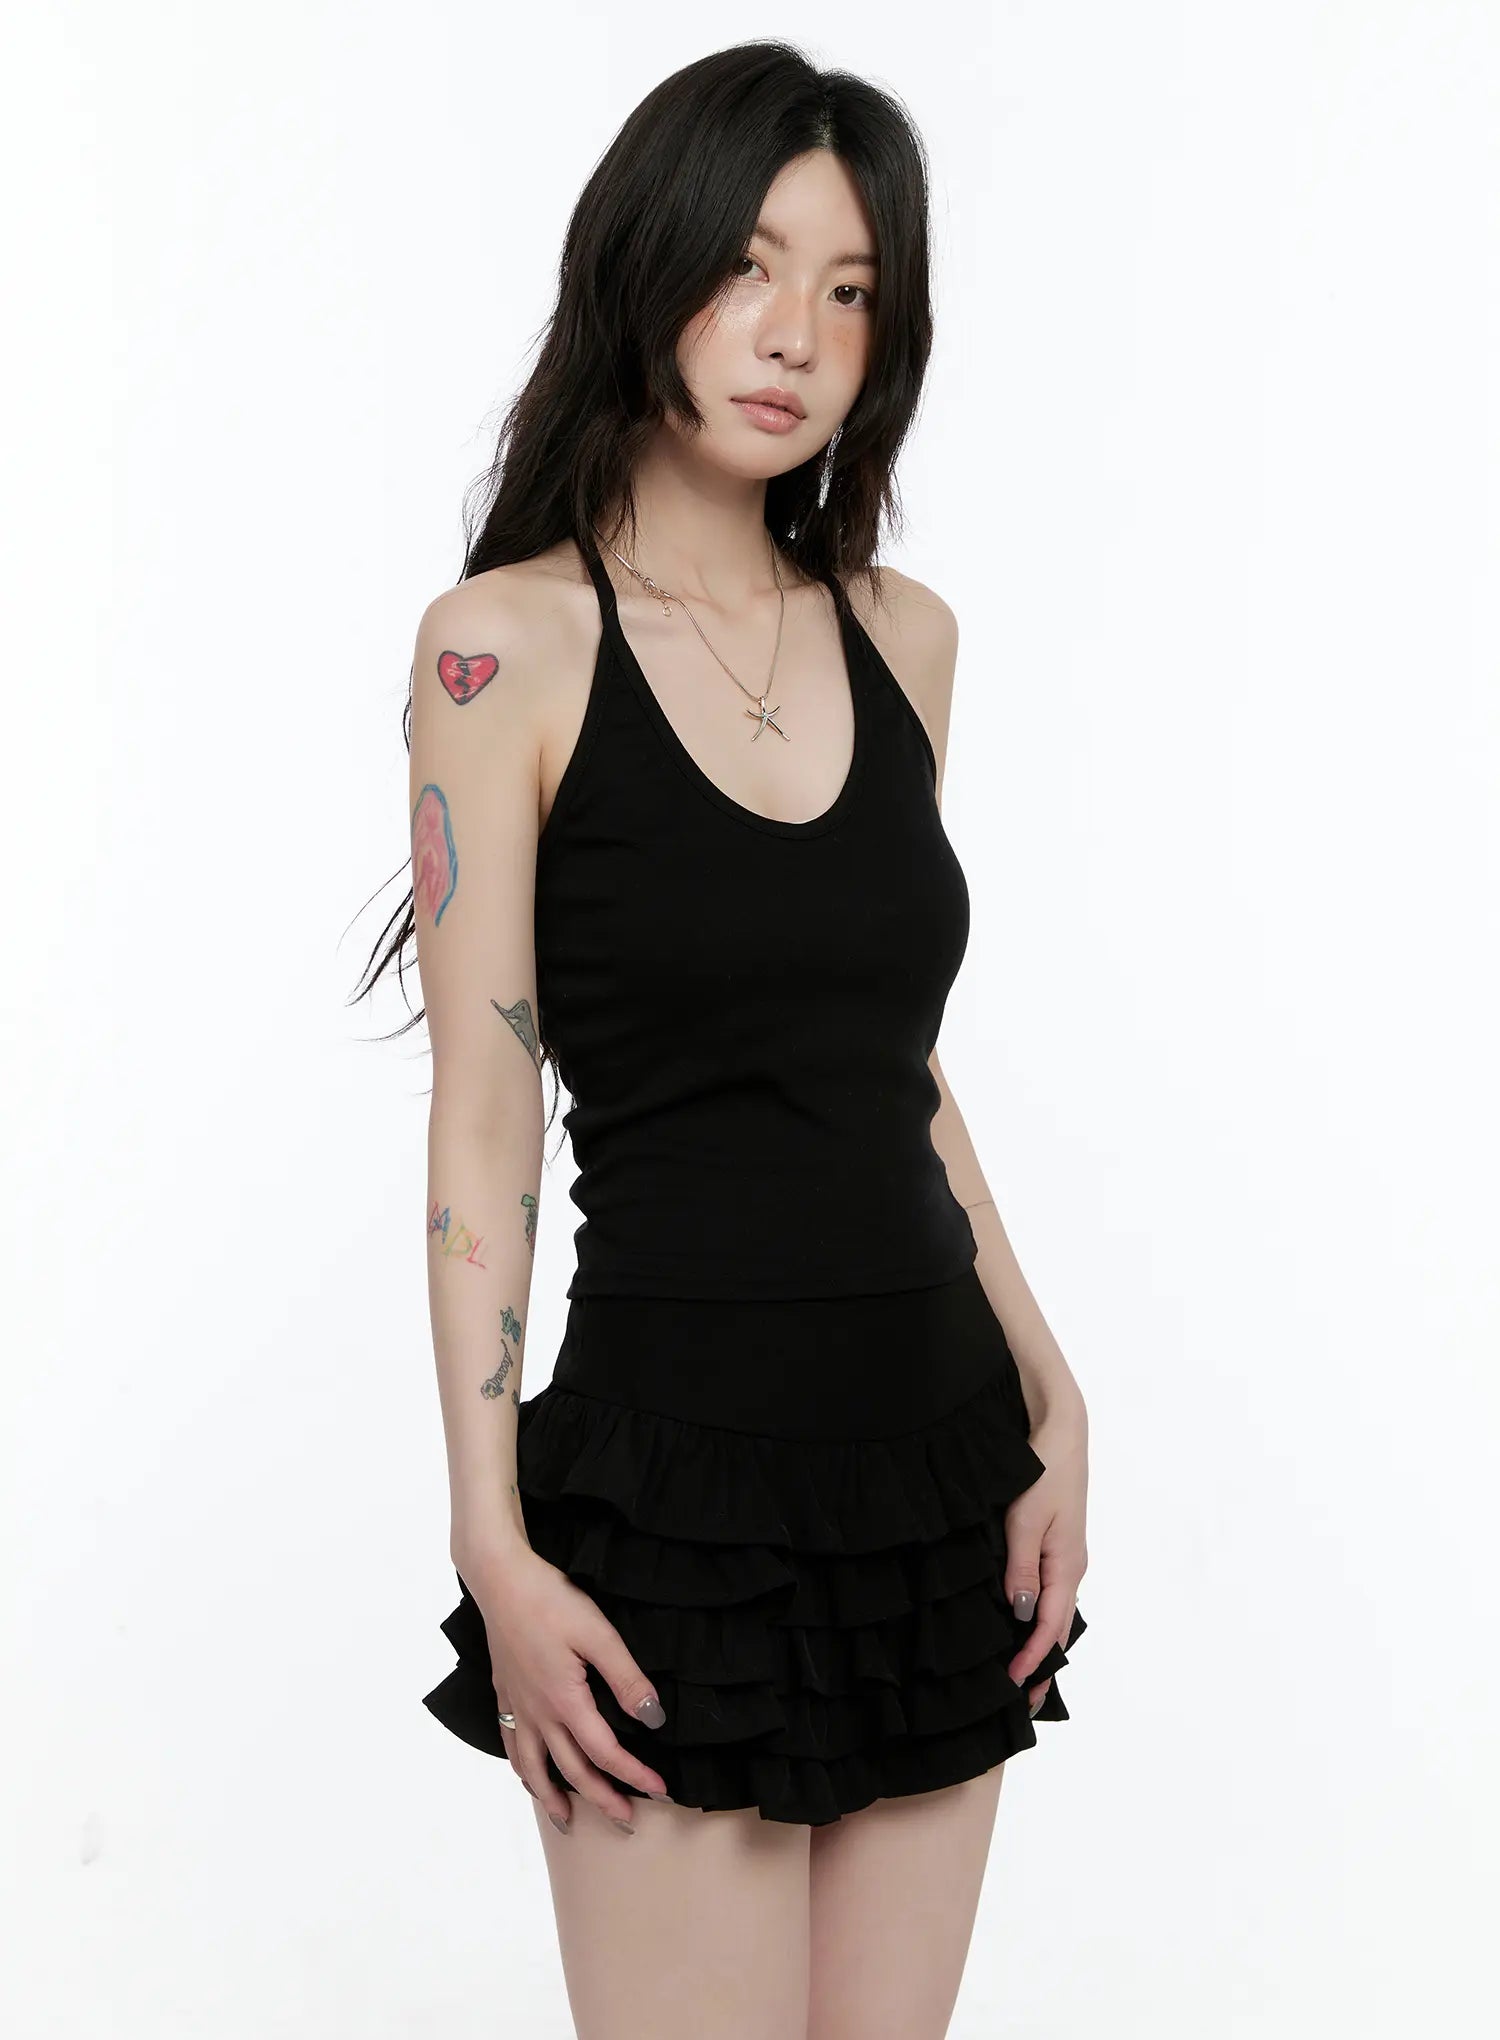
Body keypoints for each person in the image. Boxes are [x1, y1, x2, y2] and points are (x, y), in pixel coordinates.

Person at [357, 40, 1089, 2040]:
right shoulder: (501, 647)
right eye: (754, 266)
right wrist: (492, 1535)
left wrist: (1052, 1389)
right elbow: (486, 1110)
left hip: (940, 1476)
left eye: (851, 292)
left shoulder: (904, 637)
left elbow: (886, 1067)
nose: (796, 337)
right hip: (673, 1499)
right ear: (649, 264)